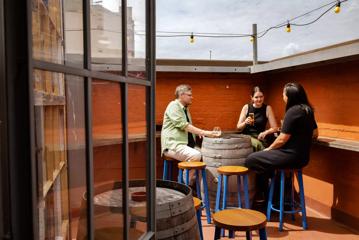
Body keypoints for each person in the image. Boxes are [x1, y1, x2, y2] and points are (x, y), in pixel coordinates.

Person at [245, 83, 318, 200]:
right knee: (270, 165)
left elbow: (282, 139)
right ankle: (279, 192)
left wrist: (269, 149)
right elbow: (315, 133)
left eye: (284, 94)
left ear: (290, 96)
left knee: (251, 159)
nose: (283, 96)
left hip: (291, 156)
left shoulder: (292, 111)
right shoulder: (308, 110)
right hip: (303, 158)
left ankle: (270, 194)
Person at [161, 84, 218, 165]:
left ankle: (196, 177)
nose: (192, 97)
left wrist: (197, 133)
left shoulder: (185, 108)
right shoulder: (173, 106)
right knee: (195, 155)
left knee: (207, 155)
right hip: (173, 146)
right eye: (189, 95)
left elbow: (187, 127)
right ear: (181, 95)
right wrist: (202, 132)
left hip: (185, 145)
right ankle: (185, 178)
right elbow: (184, 125)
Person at [237, 86, 278, 151]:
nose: (259, 99)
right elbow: (238, 127)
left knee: (271, 145)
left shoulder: (267, 108)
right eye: (256, 97)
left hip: (261, 136)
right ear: (252, 98)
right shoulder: (246, 107)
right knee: (259, 145)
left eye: (261, 96)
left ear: (264, 96)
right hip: (248, 137)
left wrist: (265, 132)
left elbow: (275, 128)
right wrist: (245, 122)